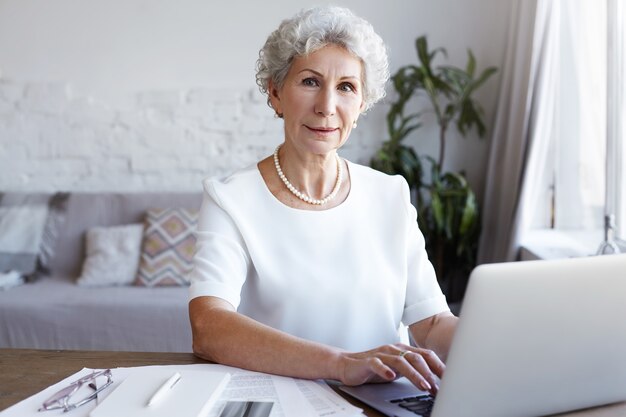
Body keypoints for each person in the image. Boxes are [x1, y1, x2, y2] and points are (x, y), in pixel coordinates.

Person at [188, 5, 457, 395]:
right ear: (276, 92)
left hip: (380, 402)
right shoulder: (230, 199)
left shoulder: (390, 194)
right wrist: (342, 363)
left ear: (361, 105)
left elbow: (431, 324)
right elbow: (208, 327)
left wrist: (501, 343)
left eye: (347, 87)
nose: (327, 106)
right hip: (281, 402)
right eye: (311, 82)